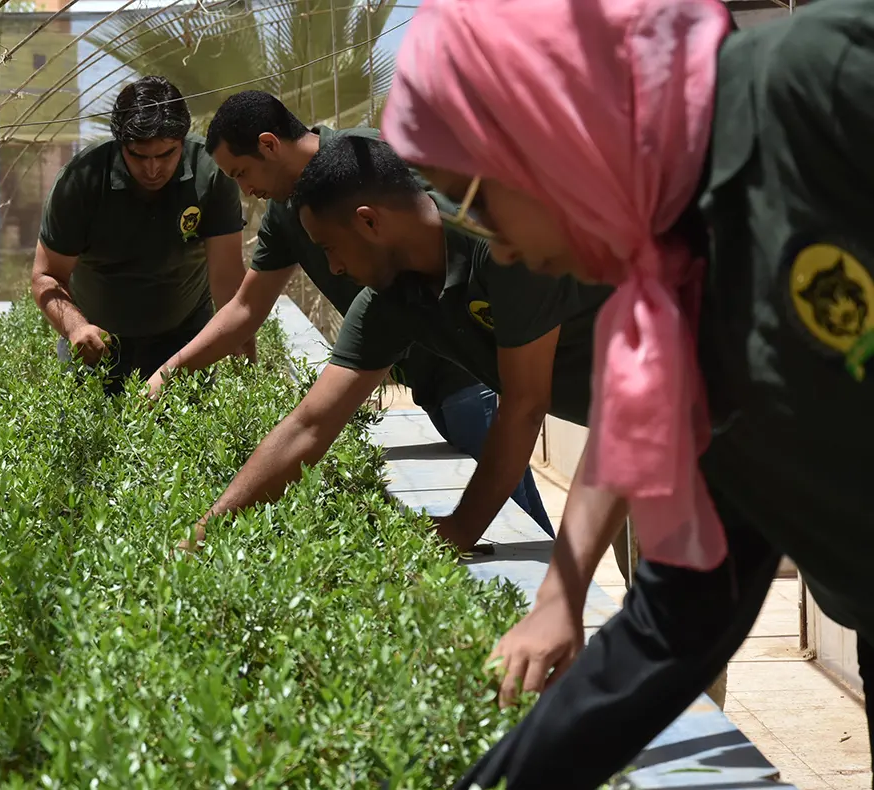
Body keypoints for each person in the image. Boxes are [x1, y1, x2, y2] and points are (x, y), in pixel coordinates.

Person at [379, 0, 874, 786]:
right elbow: (682, 615)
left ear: (542, 125)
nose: (497, 247)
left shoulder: (814, 86)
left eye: (468, 203)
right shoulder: (673, 315)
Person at [148, 90, 555, 537]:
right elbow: (255, 321)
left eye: (242, 173)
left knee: (524, 529)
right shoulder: (329, 251)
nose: (336, 268)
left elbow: (524, 404)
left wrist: (462, 528)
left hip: (472, 375)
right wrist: (170, 373)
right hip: (430, 378)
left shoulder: (369, 159)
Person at [31, 75, 248, 396]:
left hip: (185, 341)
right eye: (139, 156)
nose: (152, 169)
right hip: (97, 344)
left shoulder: (211, 172)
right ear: (120, 145)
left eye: (166, 155)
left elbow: (229, 282)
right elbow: (45, 276)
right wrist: (76, 328)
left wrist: (245, 370)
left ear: (182, 141)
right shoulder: (82, 179)